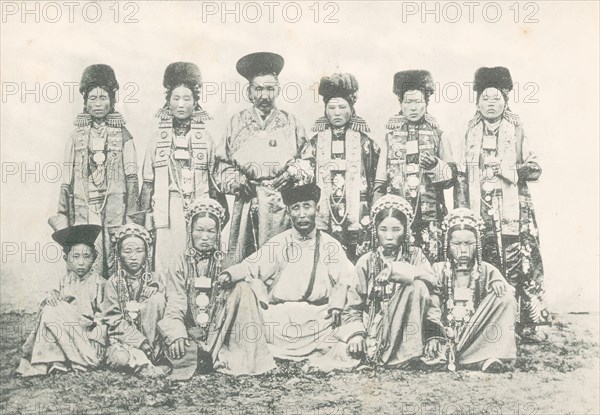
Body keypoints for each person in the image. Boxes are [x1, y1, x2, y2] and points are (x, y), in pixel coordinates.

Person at [454, 67, 550, 336]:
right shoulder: (469, 131)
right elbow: (462, 174)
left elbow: (535, 168)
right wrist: (464, 211)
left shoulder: (517, 129)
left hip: (514, 207)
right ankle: (486, 322)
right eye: (485, 98)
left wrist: (509, 171)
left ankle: (528, 323)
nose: (491, 104)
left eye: (496, 99)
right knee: (485, 259)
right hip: (480, 207)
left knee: (521, 259)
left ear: (506, 100)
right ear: (477, 102)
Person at [221, 183, 357, 361]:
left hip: (317, 319)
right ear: (289, 212)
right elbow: (251, 266)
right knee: (255, 318)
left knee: (339, 329)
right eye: (295, 208)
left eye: (307, 207)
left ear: (317, 209)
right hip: (279, 320)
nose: (302, 214)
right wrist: (228, 274)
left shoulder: (330, 245)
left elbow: (347, 278)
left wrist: (337, 304)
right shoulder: (278, 242)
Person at [317, 194, 441, 370]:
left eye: (396, 229)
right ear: (375, 230)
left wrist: (433, 335)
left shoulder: (416, 256)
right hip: (377, 328)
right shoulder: (367, 261)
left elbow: (432, 288)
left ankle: (410, 351)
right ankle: (390, 354)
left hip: (410, 330)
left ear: (406, 230)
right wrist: (356, 335)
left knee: (418, 286)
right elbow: (353, 305)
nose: (389, 236)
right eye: (383, 229)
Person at [157, 198, 275, 380]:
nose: (205, 237)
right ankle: (201, 354)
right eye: (199, 230)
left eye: (211, 231)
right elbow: (175, 302)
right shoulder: (179, 262)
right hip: (190, 329)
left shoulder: (225, 260)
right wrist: (177, 334)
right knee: (179, 349)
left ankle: (241, 355)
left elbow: (244, 272)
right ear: (190, 231)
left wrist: (229, 276)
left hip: (217, 327)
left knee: (244, 288)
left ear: (218, 233)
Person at [215, 52, 313, 265]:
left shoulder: (291, 123)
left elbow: (308, 161)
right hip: (247, 204)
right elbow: (221, 165)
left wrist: (291, 173)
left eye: (269, 89)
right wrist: (239, 182)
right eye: (258, 89)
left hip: (281, 206)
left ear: (277, 90)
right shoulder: (236, 123)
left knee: (281, 263)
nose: (264, 95)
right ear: (249, 92)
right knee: (246, 264)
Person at [51, 64, 139, 279]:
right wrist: (63, 211)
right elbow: (66, 177)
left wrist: (133, 215)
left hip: (116, 204)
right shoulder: (76, 136)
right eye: (92, 98)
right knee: (88, 249)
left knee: (115, 250)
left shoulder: (124, 136)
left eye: (103, 97)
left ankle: (116, 302)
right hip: (85, 203)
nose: (98, 104)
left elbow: (132, 177)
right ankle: (88, 303)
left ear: (112, 100)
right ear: (85, 101)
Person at [140, 62, 227, 274]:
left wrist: (214, 214)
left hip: (197, 207)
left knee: (194, 257)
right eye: (175, 98)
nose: (181, 104)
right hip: (165, 207)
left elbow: (214, 184)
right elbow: (148, 183)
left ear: (195, 102)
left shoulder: (205, 139)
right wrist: (144, 218)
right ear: (168, 101)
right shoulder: (156, 139)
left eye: (187, 99)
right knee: (164, 259)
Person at [374, 70, 456, 264]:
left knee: (431, 262)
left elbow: (451, 178)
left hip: (430, 215)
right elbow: (380, 179)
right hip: (397, 215)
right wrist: (375, 211)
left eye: (417, 102)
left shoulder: (439, 135)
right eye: (407, 102)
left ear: (426, 103)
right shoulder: (390, 137)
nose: (412, 107)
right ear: (400, 104)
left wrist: (436, 165)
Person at [422, 208, 517, 372]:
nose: (463, 250)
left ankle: (487, 355)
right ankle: (465, 358)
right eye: (457, 244)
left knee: (505, 297)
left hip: (475, 332)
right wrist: (435, 332)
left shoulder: (486, 269)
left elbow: (508, 293)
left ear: (478, 244)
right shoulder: (438, 269)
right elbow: (433, 302)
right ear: (447, 244)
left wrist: (497, 283)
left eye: (469, 243)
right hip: (446, 331)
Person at [16, 222, 106, 377]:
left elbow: (104, 316)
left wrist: (97, 339)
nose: (81, 262)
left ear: (94, 258)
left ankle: (41, 363)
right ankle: (54, 362)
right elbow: (58, 300)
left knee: (52, 311)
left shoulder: (100, 283)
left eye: (86, 256)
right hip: (66, 332)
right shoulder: (65, 281)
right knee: (49, 308)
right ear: (67, 259)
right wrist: (52, 298)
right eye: (75, 257)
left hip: (86, 336)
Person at [311, 73, 380, 263]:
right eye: (331, 107)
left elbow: (377, 179)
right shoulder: (316, 143)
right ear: (325, 110)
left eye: (342, 107)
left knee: (357, 260)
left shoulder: (366, 143)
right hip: (324, 210)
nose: (337, 112)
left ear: (351, 108)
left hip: (358, 209)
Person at [102, 224, 166, 377]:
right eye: (127, 251)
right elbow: (114, 321)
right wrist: (140, 341)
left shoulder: (155, 279)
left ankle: (153, 358)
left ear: (147, 253)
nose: (133, 256)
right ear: (118, 254)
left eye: (139, 251)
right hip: (126, 341)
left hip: (154, 341)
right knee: (120, 358)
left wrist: (153, 294)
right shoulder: (113, 283)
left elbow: (163, 313)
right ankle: (144, 364)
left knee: (157, 299)